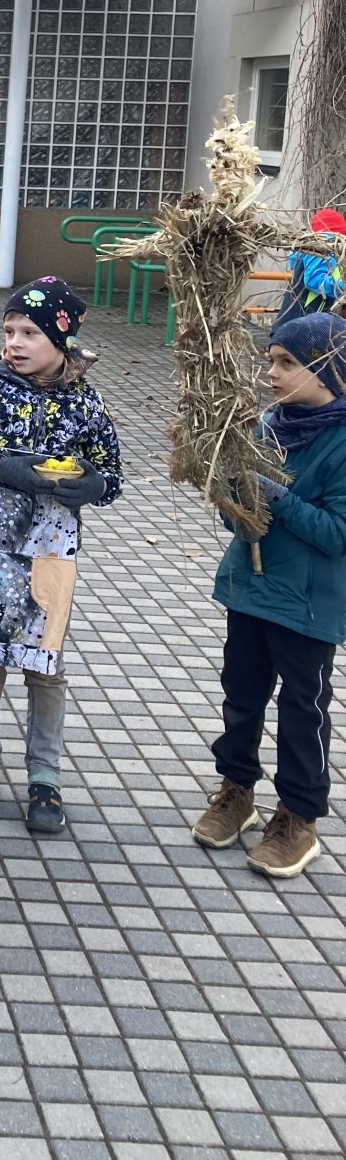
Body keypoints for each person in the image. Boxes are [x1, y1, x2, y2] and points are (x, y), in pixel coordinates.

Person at [0, 276, 122, 835]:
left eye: (28, 333)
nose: (14, 343)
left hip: (51, 553)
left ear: (60, 340)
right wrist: (0, 468)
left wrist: (91, 484)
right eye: (9, 330)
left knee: (45, 666)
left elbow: (112, 475)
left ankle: (45, 774)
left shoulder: (86, 401)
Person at [192, 313, 346, 878]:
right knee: (241, 695)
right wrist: (237, 505)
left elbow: (337, 534)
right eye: (271, 361)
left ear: (328, 369)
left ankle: (298, 819)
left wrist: (276, 497)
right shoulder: (266, 428)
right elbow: (239, 514)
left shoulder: (342, 440)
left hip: (306, 605)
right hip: (250, 591)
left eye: (287, 363)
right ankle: (236, 792)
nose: (272, 373)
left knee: (302, 709)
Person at [277, 209, 346, 325]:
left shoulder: (309, 251)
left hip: (294, 323)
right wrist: (343, 288)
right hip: (304, 324)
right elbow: (313, 279)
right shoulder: (322, 248)